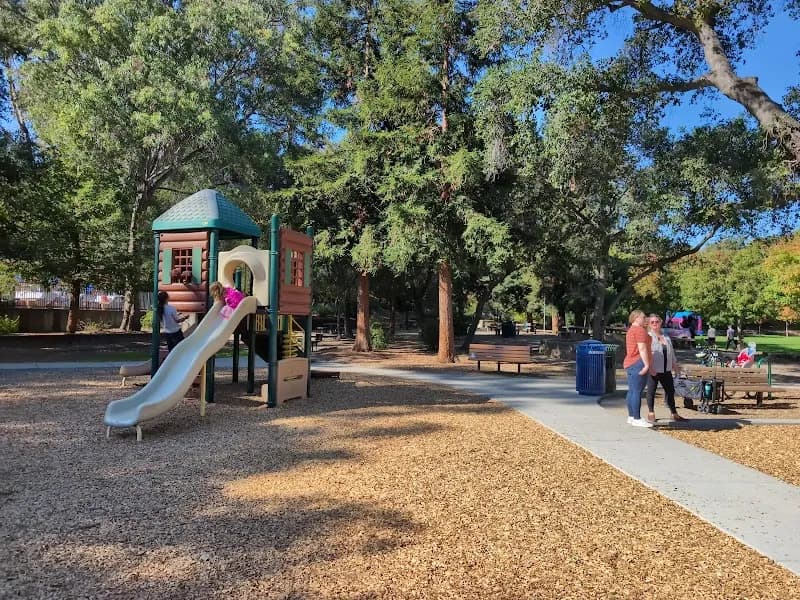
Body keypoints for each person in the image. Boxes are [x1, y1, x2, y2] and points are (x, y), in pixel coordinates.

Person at [645, 315, 687, 423]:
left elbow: (671, 354)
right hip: (654, 369)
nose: (655, 324)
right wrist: (649, 367)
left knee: (670, 391)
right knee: (651, 391)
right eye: (652, 322)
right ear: (649, 324)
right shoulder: (648, 336)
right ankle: (651, 412)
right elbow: (645, 353)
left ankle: (674, 413)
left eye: (657, 321)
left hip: (666, 369)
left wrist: (676, 367)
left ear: (660, 322)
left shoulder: (666, 337)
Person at [624, 309, 653, 428]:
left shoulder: (631, 330)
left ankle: (631, 416)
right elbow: (642, 348)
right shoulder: (639, 330)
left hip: (630, 362)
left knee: (631, 390)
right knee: (637, 391)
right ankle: (637, 418)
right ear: (636, 318)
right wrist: (646, 364)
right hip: (638, 362)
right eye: (643, 317)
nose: (645, 319)